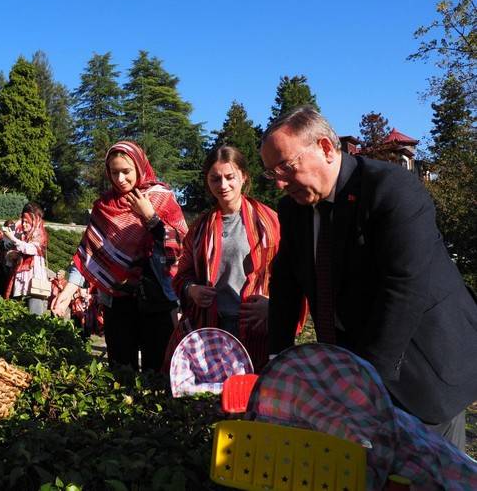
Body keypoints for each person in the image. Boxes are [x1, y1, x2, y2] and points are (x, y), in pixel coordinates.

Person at [260, 106, 477, 450]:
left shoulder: (391, 189)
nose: (281, 183)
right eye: (273, 173)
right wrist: (277, 361)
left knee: (426, 471)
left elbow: (404, 288)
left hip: (423, 362)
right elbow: (286, 282)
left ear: (326, 149)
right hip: (358, 363)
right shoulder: (293, 209)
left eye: (286, 166)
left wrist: (364, 382)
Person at [52, 141, 188, 371]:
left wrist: (151, 218)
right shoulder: (104, 206)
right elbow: (89, 251)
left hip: (157, 301)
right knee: (121, 371)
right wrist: (68, 291)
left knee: (158, 373)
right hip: (117, 302)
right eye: (114, 173)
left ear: (139, 167)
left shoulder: (161, 198)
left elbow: (181, 246)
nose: (120, 179)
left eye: (126, 172)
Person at [169, 145, 305, 372]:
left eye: (230, 177)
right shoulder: (200, 227)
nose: (223, 185)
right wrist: (192, 289)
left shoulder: (271, 222)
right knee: (214, 399)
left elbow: (297, 274)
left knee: (256, 396)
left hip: (258, 329)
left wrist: (274, 306)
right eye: (215, 179)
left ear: (243, 176)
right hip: (212, 329)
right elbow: (183, 274)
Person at [2, 203, 50, 315]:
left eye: (26, 221)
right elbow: (15, 251)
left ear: (34, 220)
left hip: (34, 281)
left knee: (34, 314)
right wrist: (11, 255)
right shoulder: (23, 235)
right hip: (20, 281)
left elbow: (30, 249)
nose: (23, 224)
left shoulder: (40, 234)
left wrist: (13, 238)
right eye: (23, 221)